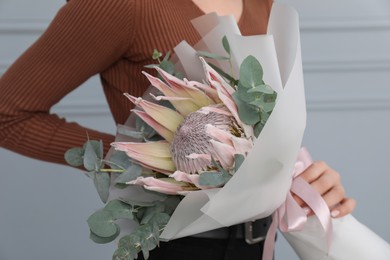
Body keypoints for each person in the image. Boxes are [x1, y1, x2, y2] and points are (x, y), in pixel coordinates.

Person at [0, 0, 356, 259]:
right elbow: (7, 115)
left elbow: (254, 124)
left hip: (261, 239)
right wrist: (146, 160)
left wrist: (301, 180)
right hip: (178, 245)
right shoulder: (120, 6)